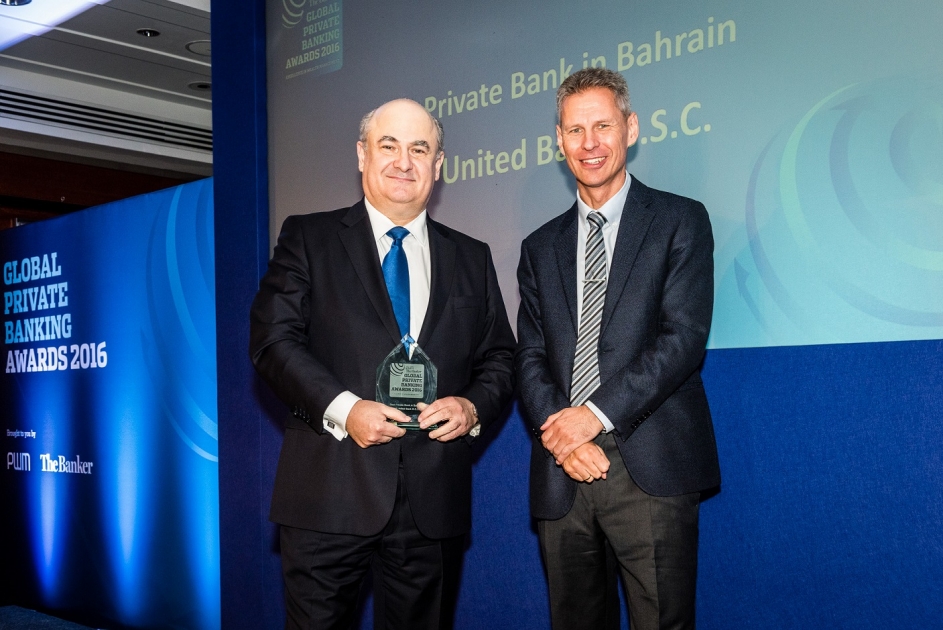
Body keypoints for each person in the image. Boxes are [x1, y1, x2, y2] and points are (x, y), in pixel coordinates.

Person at [250, 98, 515, 629]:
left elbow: (500, 358)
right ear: (361, 155)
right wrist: (346, 409)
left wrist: (470, 407)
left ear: (438, 165)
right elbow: (272, 341)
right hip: (329, 493)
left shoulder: (472, 256)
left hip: (431, 503)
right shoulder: (308, 238)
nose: (403, 162)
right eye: (388, 145)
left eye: (419, 148)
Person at [515, 67, 721, 630]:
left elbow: (683, 339)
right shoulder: (539, 247)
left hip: (650, 465)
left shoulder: (680, 220)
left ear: (630, 128)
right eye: (575, 130)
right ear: (559, 141)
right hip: (563, 472)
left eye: (602, 126)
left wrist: (592, 417)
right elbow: (529, 357)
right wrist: (564, 437)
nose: (590, 143)